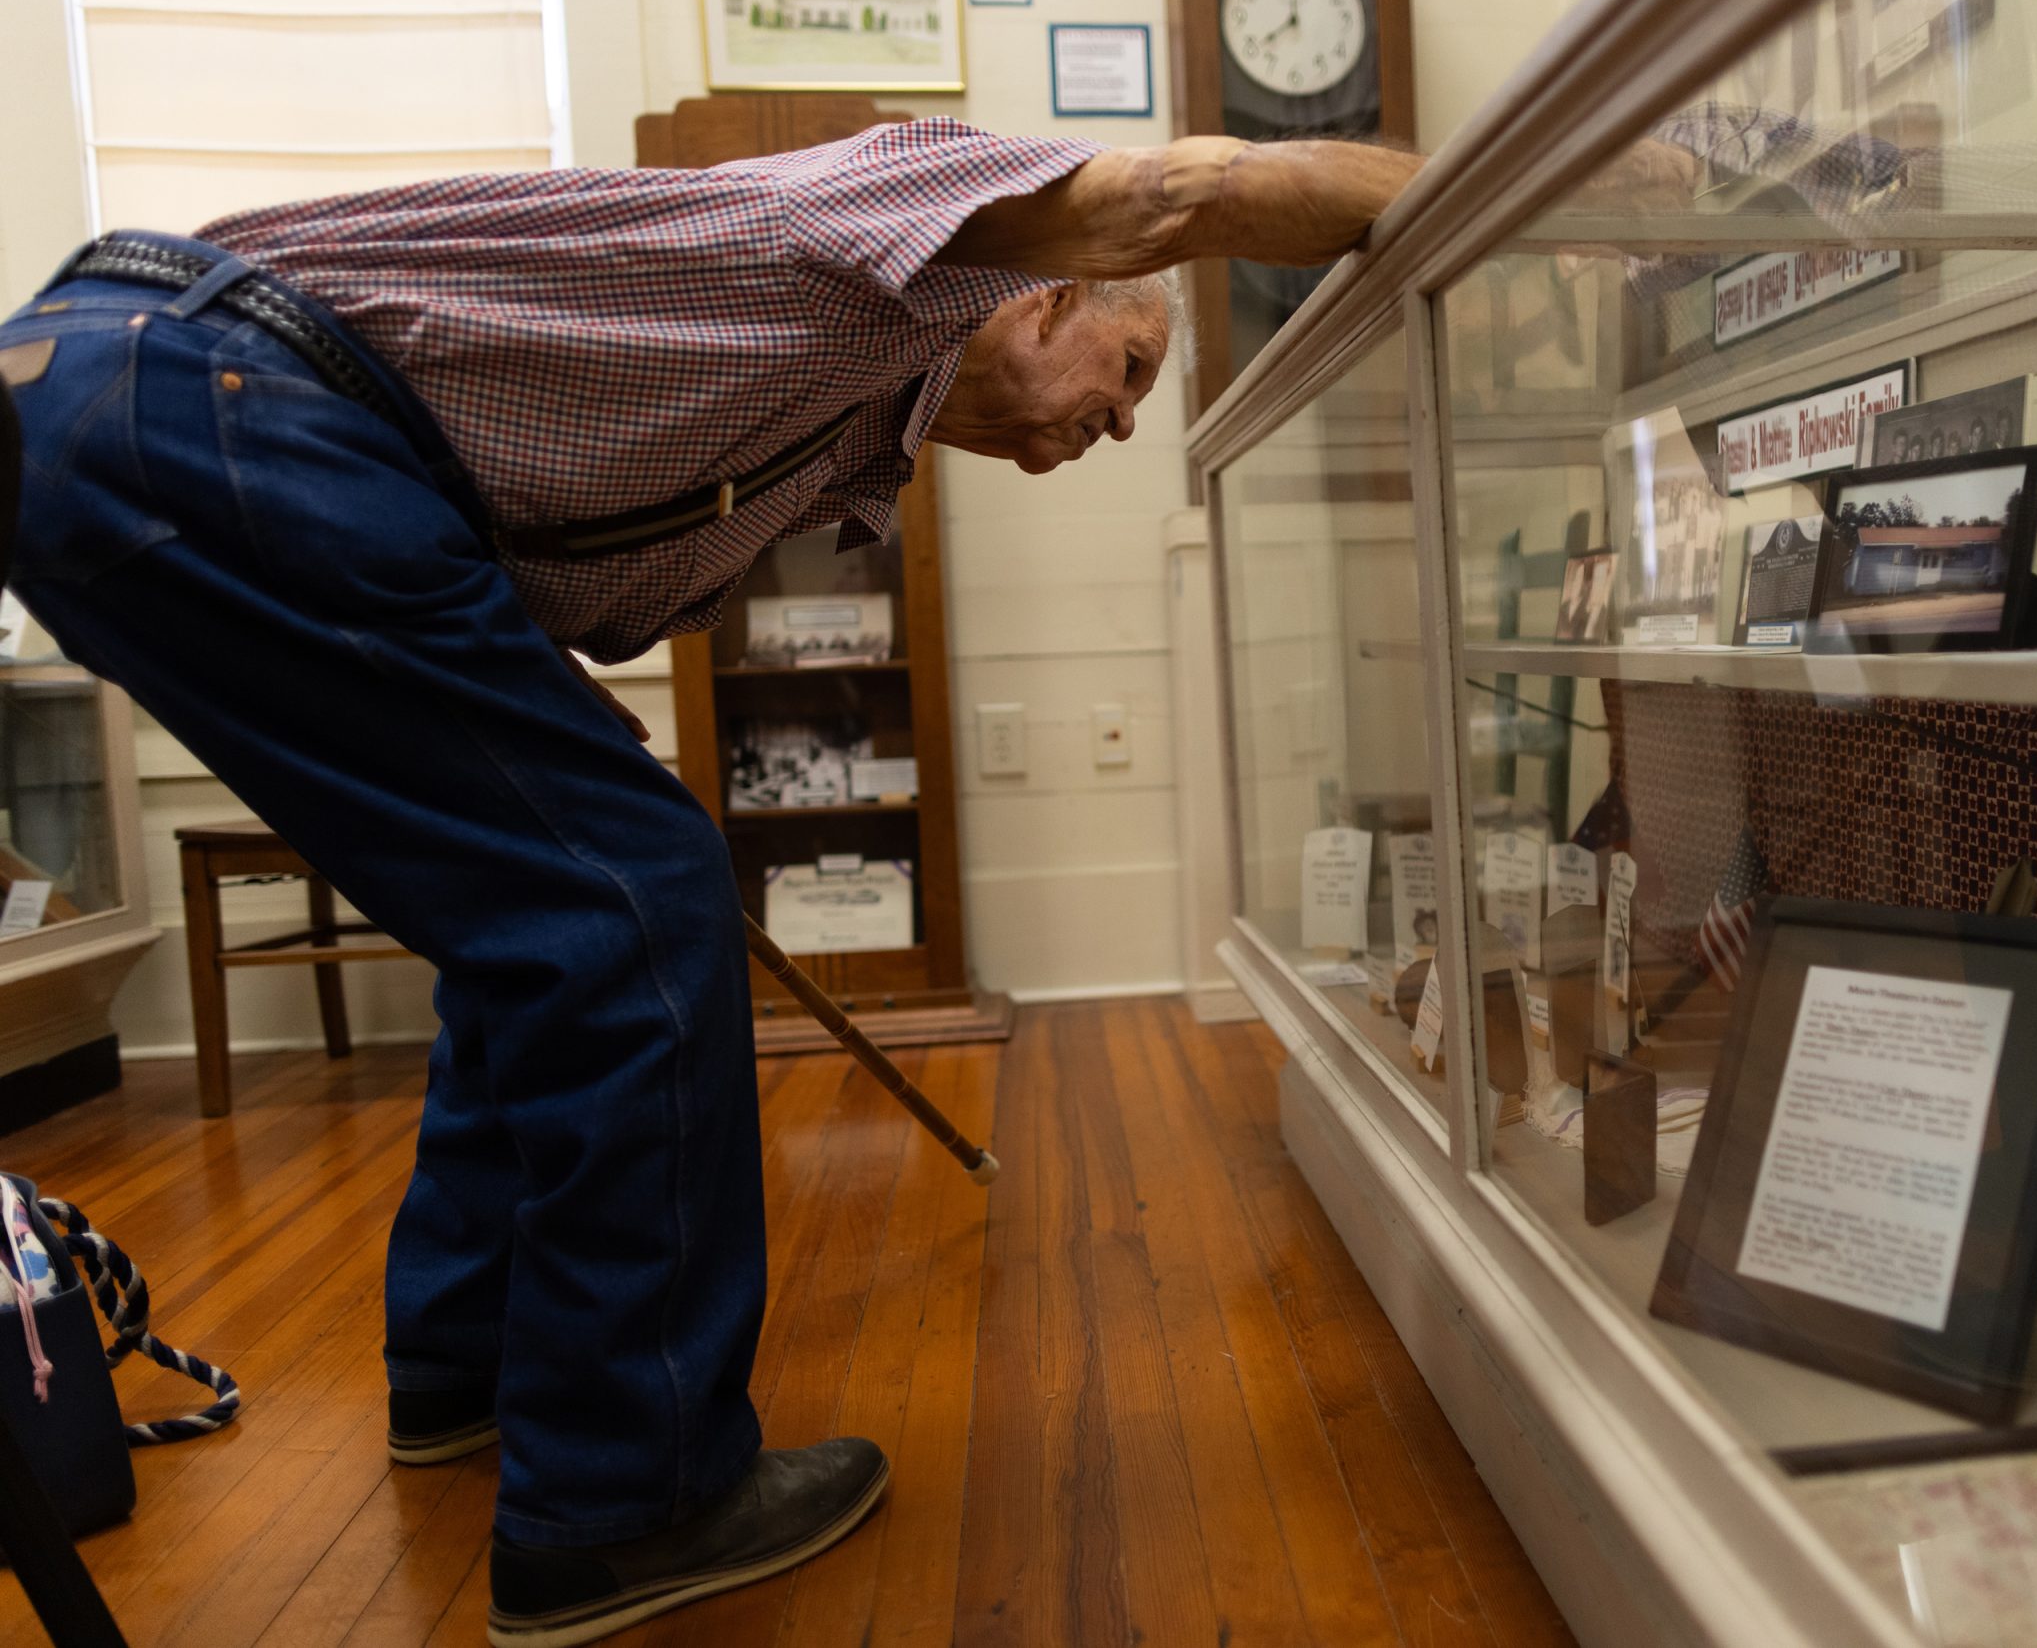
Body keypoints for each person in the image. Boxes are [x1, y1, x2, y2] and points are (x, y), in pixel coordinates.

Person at [0, 119, 1419, 1647]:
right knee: (634, 897)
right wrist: (1541, 178)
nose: (1123, 421)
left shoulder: (831, 435)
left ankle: (463, 1371)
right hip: (218, 395)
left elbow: (501, 555)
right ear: (1048, 299)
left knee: (544, 895)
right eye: (1128, 370)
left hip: (104, 411)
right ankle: (627, 1497)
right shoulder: (920, 245)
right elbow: (1184, 190)